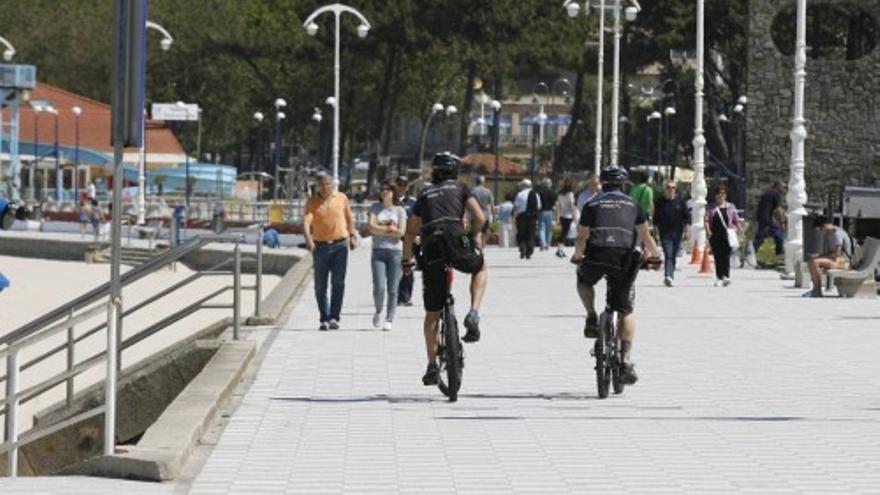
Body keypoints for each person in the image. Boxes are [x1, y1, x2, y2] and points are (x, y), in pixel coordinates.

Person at [403, 152, 488, 386]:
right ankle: (473, 313)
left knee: (432, 312)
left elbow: (410, 232)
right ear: (454, 172)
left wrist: (407, 260)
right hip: (455, 238)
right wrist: (471, 236)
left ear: (434, 172)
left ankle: (431, 365)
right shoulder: (460, 188)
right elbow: (479, 217)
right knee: (479, 267)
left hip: (430, 246)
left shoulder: (424, 193)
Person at [571, 166, 661, 385]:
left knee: (583, 279)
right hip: (623, 259)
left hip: (597, 254)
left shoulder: (591, 204)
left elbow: (582, 237)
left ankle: (591, 316)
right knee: (625, 309)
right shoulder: (634, 204)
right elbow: (646, 236)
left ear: (603, 184)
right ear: (624, 185)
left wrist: (577, 255)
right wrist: (657, 257)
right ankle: (625, 360)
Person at [303, 172, 357, 330]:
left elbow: (349, 218)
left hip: (340, 245)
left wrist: (352, 235)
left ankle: (334, 316)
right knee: (320, 285)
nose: (326, 187)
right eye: (323, 184)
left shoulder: (341, 198)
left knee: (338, 283)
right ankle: (324, 317)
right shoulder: (312, 202)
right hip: (320, 247)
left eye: (328, 184)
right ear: (318, 186)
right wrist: (309, 240)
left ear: (332, 184)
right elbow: (306, 222)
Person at [368, 180, 408, 330]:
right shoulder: (375, 207)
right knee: (379, 287)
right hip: (378, 251)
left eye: (388, 190)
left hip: (395, 253)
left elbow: (401, 232)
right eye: (383, 190)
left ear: (393, 193)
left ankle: (389, 318)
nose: (385, 192)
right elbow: (371, 227)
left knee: (393, 288)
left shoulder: (400, 210)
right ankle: (378, 310)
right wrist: (390, 229)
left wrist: (382, 229)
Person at [803, 215, 852, 298]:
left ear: (824, 226)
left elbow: (837, 254)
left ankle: (817, 291)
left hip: (845, 263)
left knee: (814, 262)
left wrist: (819, 256)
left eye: (819, 229)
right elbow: (832, 254)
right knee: (812, 260)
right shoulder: (829, 233)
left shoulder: (836, 234)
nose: (819, 232)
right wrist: (819, 255)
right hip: (838, 260)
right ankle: (816, 289)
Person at [653, 180, 691, 287]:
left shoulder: (680, 202)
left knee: (673, 255)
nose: (671, 190)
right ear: (664, 189)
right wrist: (655, 235)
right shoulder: (659, 202)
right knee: (668, 254)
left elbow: (687, 218)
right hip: (664, 233)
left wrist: (686, 231)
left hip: (677, 233)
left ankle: (670, 275)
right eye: (668, 187)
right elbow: (655, 220)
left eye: (673, 188)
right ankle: (668, 275)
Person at [704, 184, 743, 287]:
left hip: (727, 235)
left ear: (726, 195)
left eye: (723, 193)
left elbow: (736, 219)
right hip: (715, 235)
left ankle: (726, 276)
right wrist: (708, 230)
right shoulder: (711, 207)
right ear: (715, 195)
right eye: (718, 193)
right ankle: (719, 277)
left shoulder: (731, 207)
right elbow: (707, 220)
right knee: (717, 256)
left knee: (726, 256)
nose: (720, 195)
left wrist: (740, 229)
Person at [750, 180, 787, 263]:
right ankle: (750, 253)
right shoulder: (776, 194)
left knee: (777, 233)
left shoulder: (769, 192)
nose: (785, 189)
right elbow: (778, 209)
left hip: (764, 217)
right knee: (762, 236)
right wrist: (783, 220)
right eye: (784, 187)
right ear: (778, 186)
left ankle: (779, 252)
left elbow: (773, 209)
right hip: (766, 218)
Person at [396, 176, 418, 306]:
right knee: (395, 270)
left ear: (407, 187)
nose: (401, 187)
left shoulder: (413, 202)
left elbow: (419, 219)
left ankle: (406, 296)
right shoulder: (390, 201)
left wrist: (418, 235)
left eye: (404, 184)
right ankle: (396, 295)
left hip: (409, 239)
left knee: (408, 268)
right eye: (399, 184)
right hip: (394, 239)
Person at [513, 179, 541, 259]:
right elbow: (539, 206)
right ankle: (529, 251)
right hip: (532, 216)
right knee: (531, 234)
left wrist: (514, 217)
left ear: (524, 186)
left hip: (521, 216)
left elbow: (516, 206)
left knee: (521, 233)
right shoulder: (536, 194)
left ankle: (522, 249)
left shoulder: (520, 194)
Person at [555, 177, 578, 257]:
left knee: (563, 233)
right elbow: (572, 206)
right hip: (568, 216)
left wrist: (558, 217)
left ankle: (560, 249)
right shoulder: (570, 194)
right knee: (564, 234)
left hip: (562, 215)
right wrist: (575, 217)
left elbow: (558, 205)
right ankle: (560, 250)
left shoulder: (560, 194)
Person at [470, 175, 495, 243]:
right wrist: (492, 214)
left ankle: (479, 246)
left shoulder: (472, 191)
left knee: (476, 231)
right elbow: (491, 204)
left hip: (475, 214)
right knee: (484, 231)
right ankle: (482, 245)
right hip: (485, 215)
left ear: (476, 182)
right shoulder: (488, 191)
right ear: (483, 182)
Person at [536, 178, 557, 251]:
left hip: (541, 211)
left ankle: (543, 244)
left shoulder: (540, 193)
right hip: (550, 212)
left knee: (541, 228)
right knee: (549, 229)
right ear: (550, 184)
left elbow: (538, 203)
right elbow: (555, 204)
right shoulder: (553, 193)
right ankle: (548, 244)